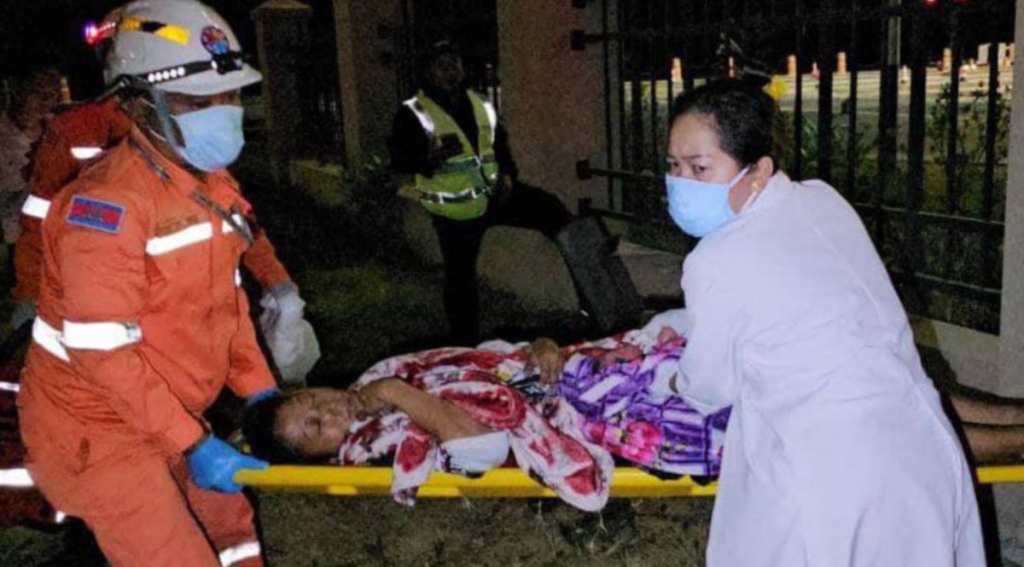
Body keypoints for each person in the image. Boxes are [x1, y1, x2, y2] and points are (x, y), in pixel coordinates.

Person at [656, 79, 983, 565]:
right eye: (674, 166)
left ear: (758, 172)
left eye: (700, 168)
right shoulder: (820, 200)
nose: (682, 183)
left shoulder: (715, 259)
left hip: (839, 471)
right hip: (919, 448)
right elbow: (806, 301)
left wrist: (669, 375)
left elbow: (708, 385)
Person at [17, 0, 279, 566]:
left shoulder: (209, 184)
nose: (224, 111)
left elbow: (224, 302)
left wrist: (259, 391)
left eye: (230, 94)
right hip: (97, 429)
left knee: (232, 533)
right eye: (196, 100)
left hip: (171, 413)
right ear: (137, 107)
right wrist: (194, 442)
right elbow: (102, 354)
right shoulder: (106, 208)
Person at [11, 13, 318, 385]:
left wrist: (277, 283)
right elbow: (40, 224)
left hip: (181, 329)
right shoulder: (81, 131)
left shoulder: (188, 136)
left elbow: (234, 216)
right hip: (96, 315)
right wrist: (32, 300)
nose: (220, 110)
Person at [244, 337, 614, 511]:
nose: (327, 409)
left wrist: (538, 347)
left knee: (667, 327)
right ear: (322, 458)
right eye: (315, 427)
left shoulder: (373, 379)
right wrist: (396, 393)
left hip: (571, 375)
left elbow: (479, 357)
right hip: (586, 420)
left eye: (310, 398)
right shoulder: (370, 450)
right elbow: (485, 450)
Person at [389, 40, 574, 345]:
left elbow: (499, 145)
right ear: (427, 72)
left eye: (455, 63)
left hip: (494, 196)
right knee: (460, 279)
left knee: (550, 208)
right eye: (442, 65)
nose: (450, 71)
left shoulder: (479, 102)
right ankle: (466, 345)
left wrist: (508, 176)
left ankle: (587, 290)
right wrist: (430, 157)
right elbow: (400, 159)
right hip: (455, 211)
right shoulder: (414, 112)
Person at [0, 66, 60, 278]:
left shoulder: (61, 131)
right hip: (16, 243)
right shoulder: (5, 137)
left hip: (54, 243)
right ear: (18, 91)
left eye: (51, 94)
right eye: (38, 92)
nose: (45, 101)